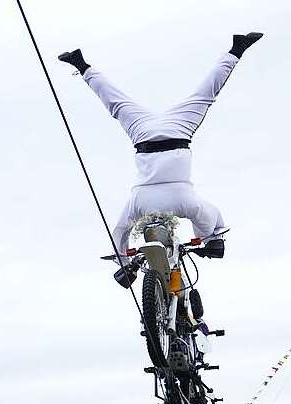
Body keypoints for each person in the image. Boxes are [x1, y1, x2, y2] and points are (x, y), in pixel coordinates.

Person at [59, 34, 264, 260]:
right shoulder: (139, 204)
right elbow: (119, 231)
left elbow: (211, 217)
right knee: (117, 102)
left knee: (203, 94)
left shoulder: (184, 203)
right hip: (144, 135)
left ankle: (235, 51)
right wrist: (210, 240)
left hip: (175, 132)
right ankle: (82, 65)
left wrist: (212, 239)